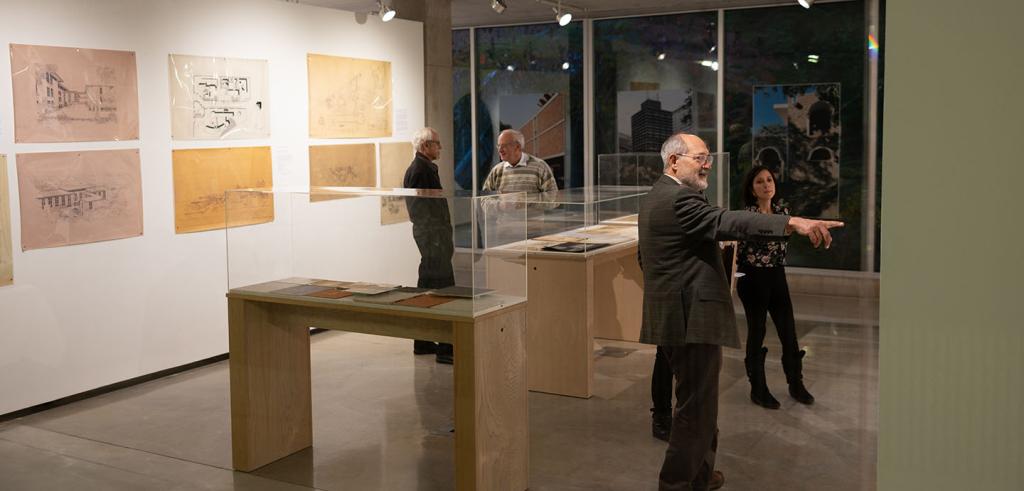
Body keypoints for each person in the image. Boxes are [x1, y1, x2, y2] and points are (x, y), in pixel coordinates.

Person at [638, 132, 842, 490]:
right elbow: (728, 221)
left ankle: (701, 476)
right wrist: (793, 222)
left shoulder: (659, 194)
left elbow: (649, 257)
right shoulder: (678, 199)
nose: (707, 165)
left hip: (680, 312)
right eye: (700, 158)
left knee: (700, 406)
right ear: (674, 161)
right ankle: (675, 484)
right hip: (690, 318)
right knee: (694, 411)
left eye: (707, 158)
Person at [736, 165, 814, 408]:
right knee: (756, 333)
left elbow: (786, 229)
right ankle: (758, 388)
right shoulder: (747, 215)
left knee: (789, 333)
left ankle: (796, 384)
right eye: (759, 181)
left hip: (777, 277)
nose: (767, 185)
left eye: (769, 180)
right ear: (752, 188)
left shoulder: (783, 211)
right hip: (752, 278)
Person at [404, 127, 455, 364]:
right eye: (437, 143)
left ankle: (422, 341)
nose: (440, 148)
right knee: (445, 290)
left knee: (426, 286)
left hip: (431, 237)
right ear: (425, 146)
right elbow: (424, 211)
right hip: (433, 238)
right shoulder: (421, 170)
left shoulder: (422, 168)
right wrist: (439, 238)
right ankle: (446, 348)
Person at [481, 129, 558, 195]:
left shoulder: (540, 166)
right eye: (498, 146)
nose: (500, 150)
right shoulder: (497, 170)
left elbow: (554, 198)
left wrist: (525, 203)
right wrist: (499, 205)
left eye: (504, 146)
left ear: (517, 147)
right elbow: (484, 198)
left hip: (533, 213)